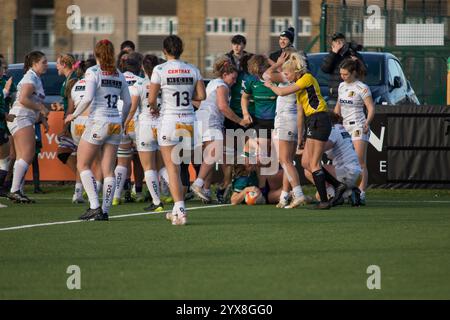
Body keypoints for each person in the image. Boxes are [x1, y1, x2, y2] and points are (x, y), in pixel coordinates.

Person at [265, 52, 346, 209]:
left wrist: (271, 86)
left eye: (288, 73)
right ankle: (337, 185)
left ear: (296, 71)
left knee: (314, 163)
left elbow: (281, 92)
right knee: (305, 162)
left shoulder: (306, 78)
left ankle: (324, 201)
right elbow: (300, 112)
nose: (286, 77)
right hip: (313, 121)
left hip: (319, 119)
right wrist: (301, 134)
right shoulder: (299, 85)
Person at [65, 39, 131, 221]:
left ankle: (94, 206)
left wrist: (74, 115)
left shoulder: (93, 71)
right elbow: (129, 102)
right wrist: (123, 121)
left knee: (82, 164)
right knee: (108, 169)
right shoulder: (119, 74)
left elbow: (86, 99)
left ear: (96, 54)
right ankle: (105, 210)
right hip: (115, 123)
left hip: (98, 121)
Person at [148, 35, 206, 225]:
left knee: (172, 169)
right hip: (189, 122)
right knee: (180, 166)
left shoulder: (159, 69)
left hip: (169, 121)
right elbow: (201, 95)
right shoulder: (192, 69)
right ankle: (175, 210)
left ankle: (180, 210)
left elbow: (151, 99)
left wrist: (155, 107)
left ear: (164, 51)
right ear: (181, 50)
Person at [190, 56, 249, 203]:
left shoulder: (211, 83)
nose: (234, 82)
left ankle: (206, 190)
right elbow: (222, 107)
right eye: (233, 78)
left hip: (202, 121)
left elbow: (200, 103)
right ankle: (198, 184)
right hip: (210, 122)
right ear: (224, 75)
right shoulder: (222, 85)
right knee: (213, 154)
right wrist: (240, 121)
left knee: (209, 157)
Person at [264, 49, 310, 209]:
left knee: (284, 161)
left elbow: (266, 75)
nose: (282, 71)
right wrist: (300, 133)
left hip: (284, 122)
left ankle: (298, 194)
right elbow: (299, 112)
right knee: (288, 162)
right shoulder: (300, 80)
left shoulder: (287, 77)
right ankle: (284, 196)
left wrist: (276, 64)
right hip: (291, 123)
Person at [7, 51, 49, 203]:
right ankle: (15, 190)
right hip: (21, 117)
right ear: (34, 63)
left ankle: (17, 190)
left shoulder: (35, 77)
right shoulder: (31, 77)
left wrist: (43, 118)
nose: (46, 65)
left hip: (22, 117)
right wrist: (41, 108)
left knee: (22, 156)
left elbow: (32, 100)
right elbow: (24, 99)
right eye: (43, 62)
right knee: (28, 153)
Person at [334, 58, 374, 205]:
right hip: (344, 127)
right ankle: (347, 192)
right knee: (343, 161)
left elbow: (371, 108)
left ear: (353, 73)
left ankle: (361, 193)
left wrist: (367, 123)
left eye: (345, 74)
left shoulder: (362, 88)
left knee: (359, 162)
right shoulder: (341, 86)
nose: (343, 77)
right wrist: (334, 122)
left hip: (358, 126)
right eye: (341, 74)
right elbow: (338, 107)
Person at [129, 54, 166, 212]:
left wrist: (126, 121)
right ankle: (181, 193)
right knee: (164, 166)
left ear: (143, 67)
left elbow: (133, 107)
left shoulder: (140, 83)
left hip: (145, 126)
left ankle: (157, 202)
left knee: (149, 167)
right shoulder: (163, 83)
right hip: (163, 125)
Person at [303, 112, 363, 206]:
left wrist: (310, 140)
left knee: (309, 168)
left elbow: (320, 149)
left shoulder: (333, 130)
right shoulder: (341, 129)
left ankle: (334, 195)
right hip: (357, 174)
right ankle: (349, 193)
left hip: (346, 172)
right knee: (318, 194)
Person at [67, 58, 100, 204]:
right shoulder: (95, 82)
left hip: (76, 122)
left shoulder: (75, 85)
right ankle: (95, 191)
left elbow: (70, 108)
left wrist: (66, 126)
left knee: (81, 160)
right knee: (99, 159)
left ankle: (78, 192)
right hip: (89, 120)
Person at [112, 55, 143, 206]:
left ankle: (116, 196)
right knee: (142, 161)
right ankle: (139, 192)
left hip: (121, 122)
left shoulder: (118, 79)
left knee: (122, 162)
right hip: (137, 123)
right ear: (139, 67)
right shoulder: (142, 81)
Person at [320, 32, 364, 104]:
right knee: (334, 113)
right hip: (335, 94)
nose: (339, 44)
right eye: (336, 42)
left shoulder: (353, 54)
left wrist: (356, 61)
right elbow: (325, 69)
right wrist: (334, 53)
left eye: (340, 41)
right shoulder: (331, 56)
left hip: (351, 93)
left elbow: (363, 71)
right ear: (332, 44)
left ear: (345, 42)